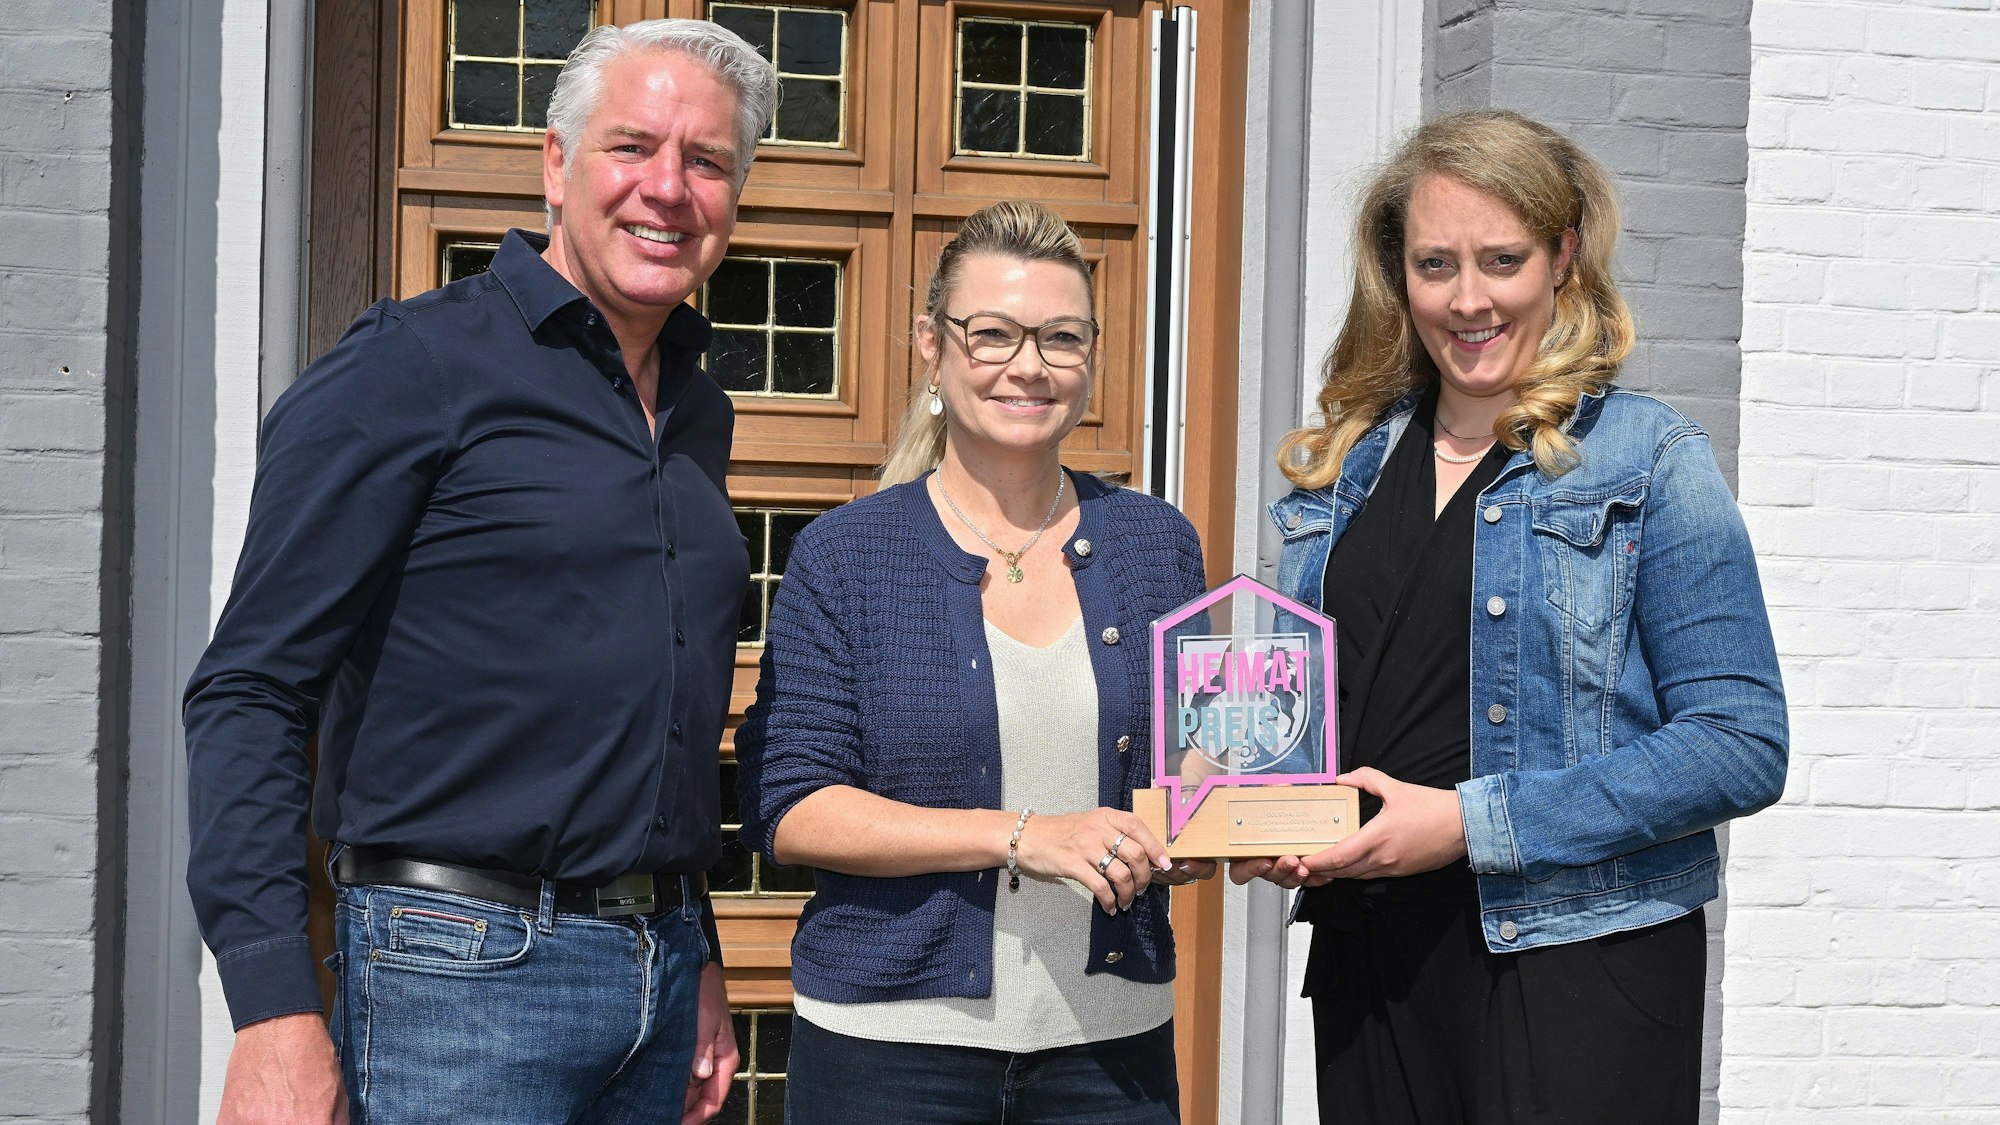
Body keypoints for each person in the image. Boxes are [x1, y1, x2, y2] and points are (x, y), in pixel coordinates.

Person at [183, 20, 778, 1124]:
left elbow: (661, 710)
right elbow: (250, 690)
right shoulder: (412, 365)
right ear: (556, 163)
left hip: (654, 981)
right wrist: (270, 1007)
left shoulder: (700, 411)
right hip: (452, 974)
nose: (668, 188)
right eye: (632, 146)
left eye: (706, 161)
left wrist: (690, 940)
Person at [1237, 109, 1789, 1124]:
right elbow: (1306, 709)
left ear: (1561, 257)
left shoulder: (1647, 457)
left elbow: (1739, 744)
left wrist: (1468, 823)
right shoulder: (1347, 467)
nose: (1468, 299)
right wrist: (1255, 804)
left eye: (1501, 260)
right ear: (1397, 274)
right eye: (1434, 264)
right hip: (1372, 961)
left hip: (1577, 965)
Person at [733, 201, 1217, 1124]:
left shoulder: (1156, 544)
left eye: (1061, 337)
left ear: (1092, 355)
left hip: (1110, 1051)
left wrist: (1210, 820)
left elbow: (1187, 760)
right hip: (887, 1056)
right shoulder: (848, 554)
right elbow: (791, 806)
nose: (1028, 365)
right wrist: (1024, 834)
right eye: (993, 333)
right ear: (933, 344)